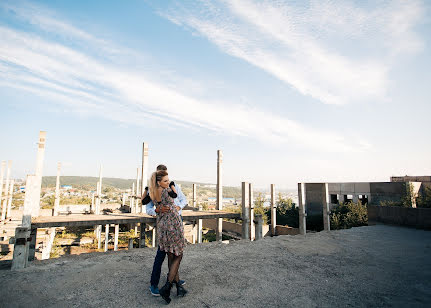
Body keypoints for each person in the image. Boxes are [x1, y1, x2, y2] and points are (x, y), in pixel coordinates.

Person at [143, 165, 187, 303]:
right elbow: (173, 196)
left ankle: (177, 284)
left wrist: (176, 206)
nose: (169, 181)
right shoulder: (168, 189)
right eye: (166, 179)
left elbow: (182, 199)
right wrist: (158, 209)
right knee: (177, 254)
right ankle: (165, 286)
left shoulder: (152, 191)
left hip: (165, 223)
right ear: (158, 180)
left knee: (171, 254)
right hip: (172, 224)